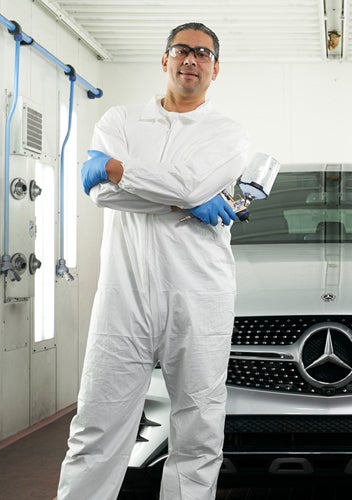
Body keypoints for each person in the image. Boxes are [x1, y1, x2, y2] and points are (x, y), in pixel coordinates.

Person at [56, 22, 250, 500]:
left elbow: (118, 181)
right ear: (165, 60)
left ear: (216, 69)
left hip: (199, 295)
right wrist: (187, 198)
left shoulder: (228, 134)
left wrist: (118, 169)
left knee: (198, 430)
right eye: (182, 50)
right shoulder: (119, 121)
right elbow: (102, 195)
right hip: (125, 294)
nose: (192, 59)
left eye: (203, 54)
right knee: (97, 425)